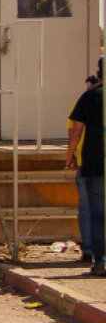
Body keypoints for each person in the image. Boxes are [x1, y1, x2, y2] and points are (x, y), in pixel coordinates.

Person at [66, 64, 105, 276]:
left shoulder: (90, 97)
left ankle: (101, 261)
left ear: (98, 74)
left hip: (95, 164)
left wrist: (70, 156)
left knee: (98, 214)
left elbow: (76, 131)